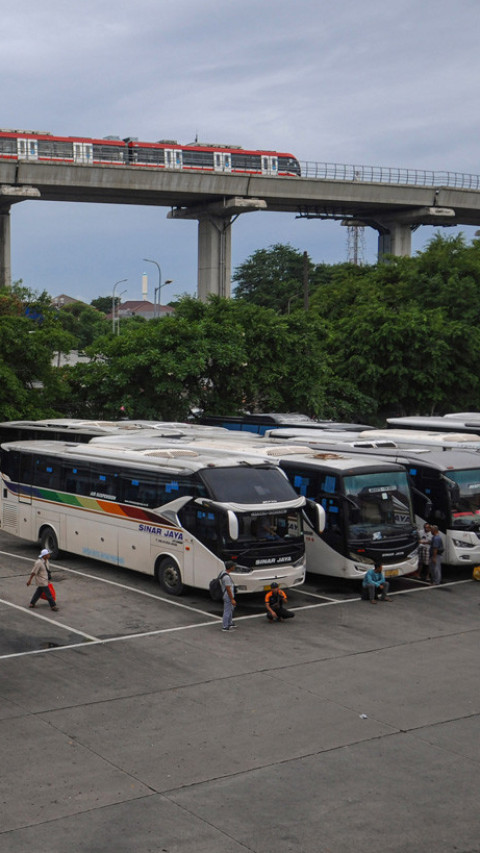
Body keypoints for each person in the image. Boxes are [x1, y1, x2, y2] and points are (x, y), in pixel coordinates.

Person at [220, 560, 237, 631]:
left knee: (230, 609)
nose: (234, 567)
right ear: (230, 567)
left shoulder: (223, 573)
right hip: (228, 596)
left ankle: (230, 623)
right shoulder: (226, 577)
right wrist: (232, 599)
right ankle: (225, 626)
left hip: (228, 595)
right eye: (233, 566)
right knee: (227, 610)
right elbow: (228, 589)